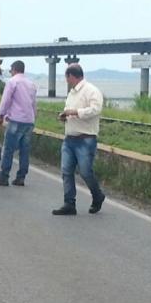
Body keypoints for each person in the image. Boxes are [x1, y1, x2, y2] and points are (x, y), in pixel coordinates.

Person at [52, 64, 105, 215]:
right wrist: (65, 116)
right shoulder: (72, 93)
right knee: (66, 171)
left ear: (71, 76)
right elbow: (71, 111)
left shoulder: (91, 91)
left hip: (85, 139)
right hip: (69, 138)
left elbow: (96, 110)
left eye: (67, 78)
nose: (67, 81)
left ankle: (97, 195)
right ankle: (69, 203)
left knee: (85, 172)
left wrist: (76, 112)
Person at [0, 60, 37, 186]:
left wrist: (1, 115)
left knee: (8, 149)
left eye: (11, 70)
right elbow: (34, 104)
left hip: (16, 120)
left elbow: (6, 100)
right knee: (24, 150)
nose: (10, 73)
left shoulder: (12, 82)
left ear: (14, 69)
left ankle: (4, 176)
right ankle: (21, 177)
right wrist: (34, 118)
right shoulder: (31, 84)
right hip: (29, 121)